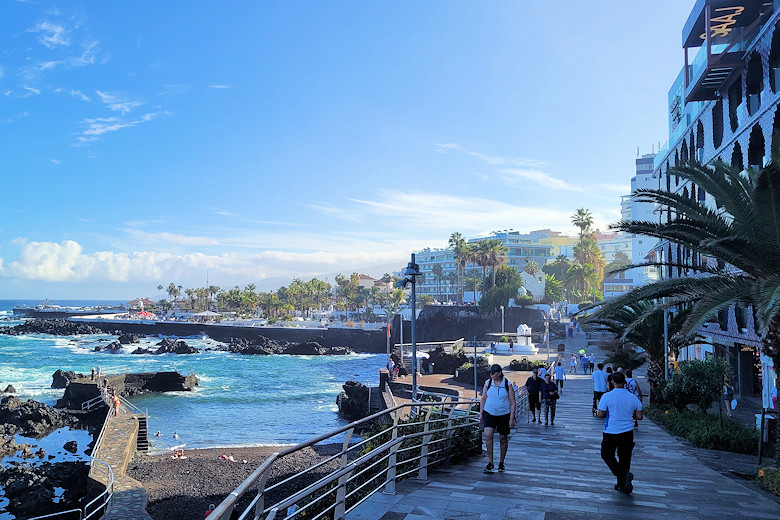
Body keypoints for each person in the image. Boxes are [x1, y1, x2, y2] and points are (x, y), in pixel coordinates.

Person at [596, 372, 643, 495]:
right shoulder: (633, 397)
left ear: (612, 382)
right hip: (627, 432)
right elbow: (639, 416)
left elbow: (600, 414)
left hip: (611, 431)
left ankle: (623, 477)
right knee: (625, 458)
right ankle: (623, 485)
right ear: (625, 382)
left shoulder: (607, 396)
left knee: (606, 455)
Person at [479, 364, 516, 473]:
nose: (491, 375)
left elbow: (513, 402)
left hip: (504, 414)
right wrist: (481, 413)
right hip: (489, 412)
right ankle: (490, 462)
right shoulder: (488, 383)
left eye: (493, 373)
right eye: (490, 373)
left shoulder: (507, 384)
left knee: (503, 438)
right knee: (488, 435)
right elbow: (483, 398)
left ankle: (501, 462)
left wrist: (512, 418)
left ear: (499, 373)